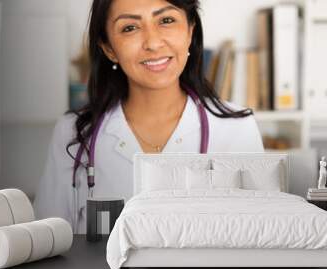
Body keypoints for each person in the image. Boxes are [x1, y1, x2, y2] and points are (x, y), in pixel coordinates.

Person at [33, 0, 264, 233]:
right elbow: (48, 243)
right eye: (130, 28)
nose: (153, 43)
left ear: (190, 30)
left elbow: (260, 240)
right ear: (109, 48)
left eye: (166, 20)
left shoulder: (237, 130)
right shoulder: (73, 133)